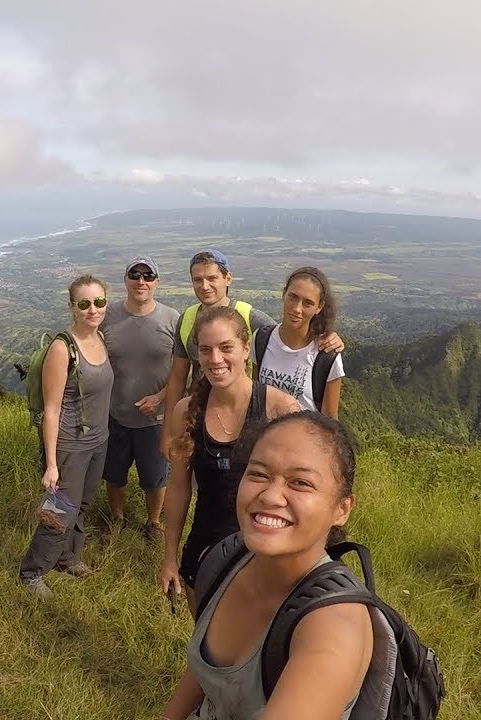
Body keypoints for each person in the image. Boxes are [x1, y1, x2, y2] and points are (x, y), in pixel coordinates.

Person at [160, 411, 373, 720]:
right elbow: (205, 673)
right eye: (258, 474)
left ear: (342, 509)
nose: (271, 495)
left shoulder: (333, 629)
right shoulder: (226, 560)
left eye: (300, 483)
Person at [159, 305, 299, 616]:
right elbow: (179, 488)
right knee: (205, 644)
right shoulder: (186, 412)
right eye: (206, 350)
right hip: (204, 553)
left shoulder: (279, 409)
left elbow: (299, 493)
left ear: (246, 348)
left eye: (226, 348)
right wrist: (170, 557)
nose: (216, 359)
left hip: (264, 556)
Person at [160, 250, 344, 451]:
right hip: (218, 424)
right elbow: (178, 377)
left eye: (212, 278)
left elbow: (329, 419)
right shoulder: (187, 319)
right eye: (198, 279)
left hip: (286, 440)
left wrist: (327, 336)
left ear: (227, 278)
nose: (205, 286)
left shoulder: (254, 322)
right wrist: (170, 432)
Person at [18, 275, 115, 599]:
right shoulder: (63, 349)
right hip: (69, 447)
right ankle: (31, 572)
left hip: (98, 442)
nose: (92, 310)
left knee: (82, 505)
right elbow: (52, 410)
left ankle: (66, 557)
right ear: (71, 307)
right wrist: (51, 464)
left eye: (99, 302)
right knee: (59, 512)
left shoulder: (99, 338)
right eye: (84, 304)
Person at [100, 255, 180, 541]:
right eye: (134, 274)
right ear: (125, 280)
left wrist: (160, 398)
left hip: (156, 418)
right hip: (114, 413)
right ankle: (117, 518)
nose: (141, 281)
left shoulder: (173, 319)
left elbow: (185, 368)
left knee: (155, 476)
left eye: (148, 275)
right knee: (114, 473)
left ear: (157, 281)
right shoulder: (106, 316)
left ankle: (153, 522)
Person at [254, 267, 345, 418]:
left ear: (319, 307)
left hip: (304, 440)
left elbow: (330, 420)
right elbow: (255, 395)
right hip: (263, 438)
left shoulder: (326, 355)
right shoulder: (261, 339)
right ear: (284, 295)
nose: (297, 309)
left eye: (307, 303)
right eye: (293, 297)